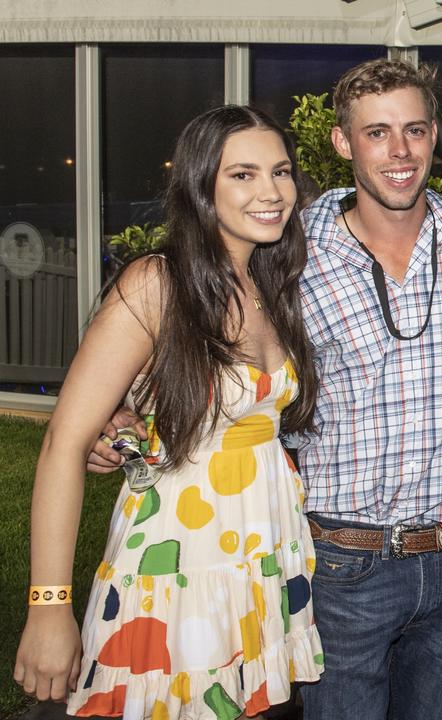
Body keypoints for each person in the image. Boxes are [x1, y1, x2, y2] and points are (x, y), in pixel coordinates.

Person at [87, 60, 442, 720]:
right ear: (343, 144)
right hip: (340, 561)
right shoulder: (292, 250)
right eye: (376, 133)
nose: (399, 152)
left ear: (434, 136)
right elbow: (179, 331)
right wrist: (115, 416)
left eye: (416, 131)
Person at [14, 105, 324, 718]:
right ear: (200, 186)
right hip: (180, 564)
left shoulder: (270, 284)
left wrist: (131, 431)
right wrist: (49, 606)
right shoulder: (158, 283)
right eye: (243, 175)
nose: (271, 192)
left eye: (281, 172)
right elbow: (63, 443)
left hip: (262, 555)